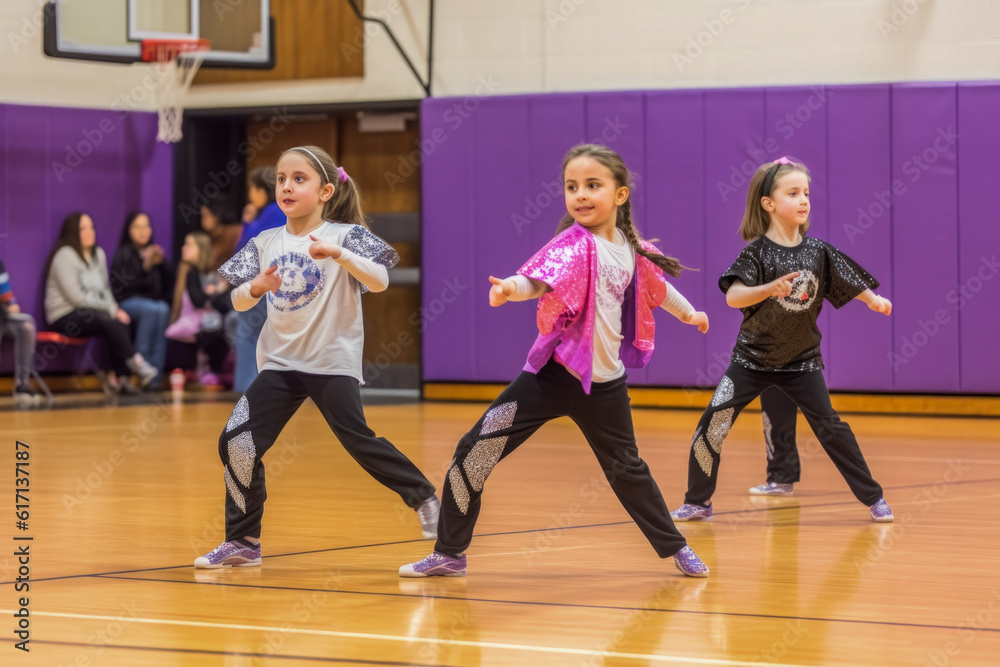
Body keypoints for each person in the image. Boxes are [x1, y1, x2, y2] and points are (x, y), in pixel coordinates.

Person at [400, 144, 711, 579]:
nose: (580, 195)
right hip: (549, 379)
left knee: (628, 471)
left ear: (620, 195)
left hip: (605, 387)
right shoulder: (572, 244)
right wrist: (509, 287)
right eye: (571, 187)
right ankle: (450, 553)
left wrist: (691, 314)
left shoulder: (630, 248)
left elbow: (657, 288)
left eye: (592, 185)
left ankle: (676, 547)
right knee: (474, 452)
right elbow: (539, 279)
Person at [194, 145, 439, 568]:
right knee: (236, 441)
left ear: (326, 191)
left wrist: (340, 254)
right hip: (281, 366)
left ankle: (425, 498)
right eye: (281, 180)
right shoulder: (265, 241)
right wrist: (256, 288)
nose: (287, 186)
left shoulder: (346, 235)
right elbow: (234, 299)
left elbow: (381, 279)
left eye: (299, 179)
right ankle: (243, 541)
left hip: (330, 363)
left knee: (358, 441)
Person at [669, 157, 894, 524]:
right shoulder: (756, 253)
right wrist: (769, 288)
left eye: (806, 192)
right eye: (793, 193)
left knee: (831, 428)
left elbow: (849, 278)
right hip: (750, 362)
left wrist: (873, 300)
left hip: (802, 361)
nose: (804, 199)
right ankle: (698, 501)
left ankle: (873, 498)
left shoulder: (818, 250)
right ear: (768, 204)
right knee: (713, 424)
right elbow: (734, 296)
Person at [44, 212, 158, 393]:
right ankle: (137, 362)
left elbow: (105, 290)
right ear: (73, 232)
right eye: (83, 229)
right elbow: (76, 298)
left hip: (93, 312)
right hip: (64, 314)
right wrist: (109, 310)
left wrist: (114, 309)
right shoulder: (64, 255)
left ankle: (122, 379)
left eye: (91, 227)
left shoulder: (99, 254)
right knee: (105, 319)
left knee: (118, 321)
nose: (90, 232)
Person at [230, 167, 285, 393]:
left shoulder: (272, 213)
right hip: (280, 286)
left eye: (252, 189)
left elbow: (246, 249)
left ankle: (246, 390)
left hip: (264, 284)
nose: (250, 194)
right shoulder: (283, 212)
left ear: (262, 190)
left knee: (247, 335)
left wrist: (247, 222)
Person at [111, 211, 172, 388]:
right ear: (129, 230)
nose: (143, 231)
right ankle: (140, 370)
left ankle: (155, 378)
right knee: (152, 310)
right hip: (126, 302)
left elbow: (169, 286)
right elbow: (122, 288)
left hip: (153, 302)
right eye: (137, 226)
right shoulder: (123, 254)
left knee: (163, 309)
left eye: (146, 226)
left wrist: (162, 265)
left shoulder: (154, 253)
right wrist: (145, 268)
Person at [166, 232, 233, 387]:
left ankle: (217, 370)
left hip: (208, 319)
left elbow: (223, 304)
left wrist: (217, 292)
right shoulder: (191, 272)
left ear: (201, 249)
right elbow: (199, 300)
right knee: (215, 331)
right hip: (193, 321)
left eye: (189, 245)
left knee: (224, 326)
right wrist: (216, 291)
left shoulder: (210, 273)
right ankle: (209, 370)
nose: (184, 248)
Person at [0, 257, 41, 406]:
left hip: (4, 316)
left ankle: (22, 384)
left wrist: (10, 304)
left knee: (27, 326)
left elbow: (7, 297)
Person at [751, 387, 801, 495]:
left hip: (779, 373)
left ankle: (781, 478)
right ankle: (781, 479)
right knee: (828, 422)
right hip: (789, 373)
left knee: (828, 423)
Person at [200, 197, 242, 273]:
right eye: (202, 216)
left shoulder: (235, 231)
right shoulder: (206, 239)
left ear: (217, 215)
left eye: (206, 216)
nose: (203, 221)